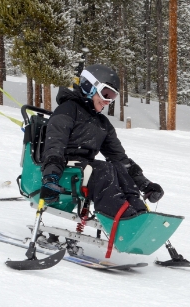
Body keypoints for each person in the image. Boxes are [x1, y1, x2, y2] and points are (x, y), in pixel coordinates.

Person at [40, 64, 164, 217]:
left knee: (118, 168)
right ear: (89, 86)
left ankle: (138, 213)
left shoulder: (103, 123)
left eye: (112, 97)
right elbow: (54, 145)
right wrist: (50, 177)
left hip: (85, 171)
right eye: (106, 94)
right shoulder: (67, 110)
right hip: (65, 170)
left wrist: (145, 185)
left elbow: (120, 158)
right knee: (105, 170)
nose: (108, 101)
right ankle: (121, 217)